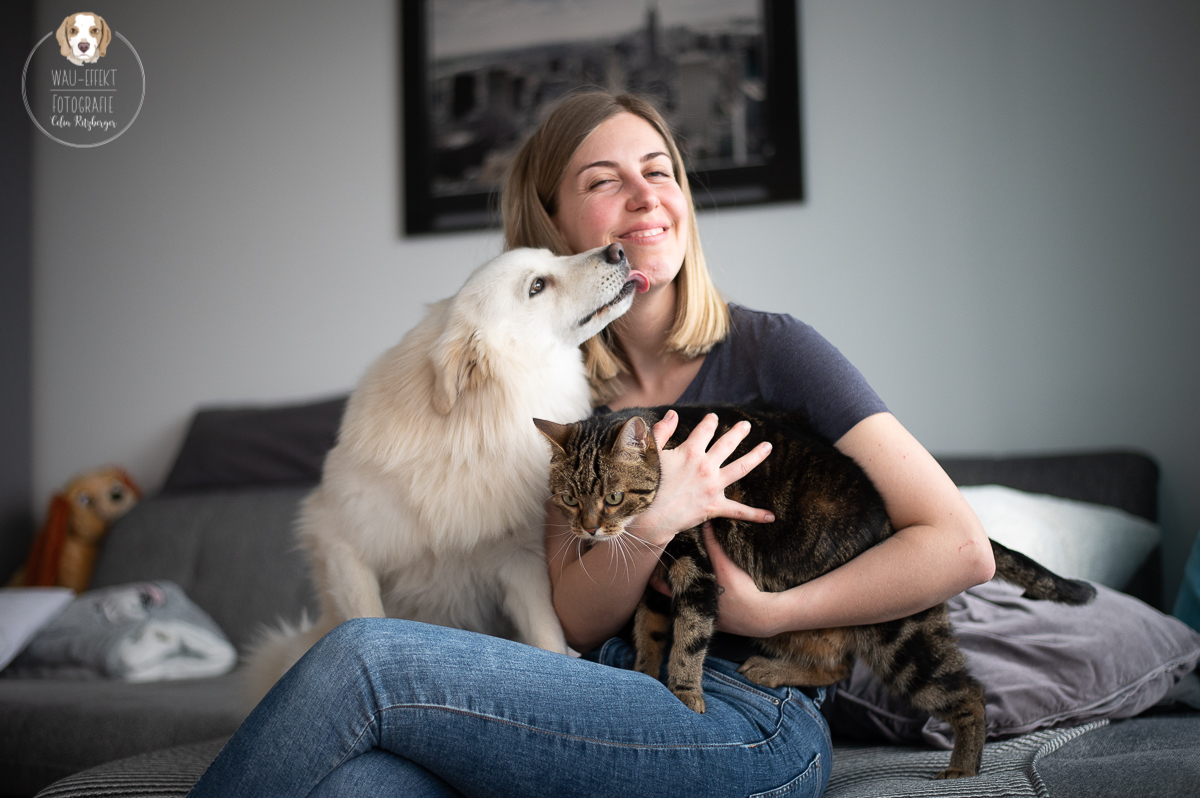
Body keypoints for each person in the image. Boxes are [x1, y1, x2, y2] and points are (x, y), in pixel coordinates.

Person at [188, 92, 993, 798]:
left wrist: (773, 610)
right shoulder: (558, 400)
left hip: (746, 712)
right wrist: (654, 519)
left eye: (660, 171)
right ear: (555, 228)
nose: (645, 196)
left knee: (364, 658)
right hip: (591, 693)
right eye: (604, 181)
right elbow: (574, 621)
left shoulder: (776, 351)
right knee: (352, 788)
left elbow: (960, 547)